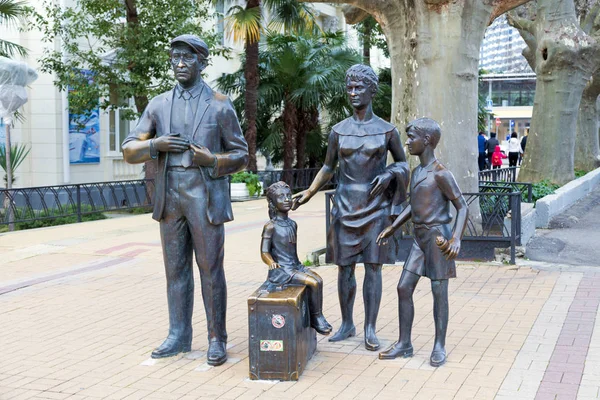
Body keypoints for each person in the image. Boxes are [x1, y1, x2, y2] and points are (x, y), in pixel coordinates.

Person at [121, 34, 249, 365]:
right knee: (175, 270)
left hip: (205, 195)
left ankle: (216, 337)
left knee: (210, 270)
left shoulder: (220, 104)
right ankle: (178, 335)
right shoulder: (159, 104)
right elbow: (128, 149)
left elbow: (241, 155)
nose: (179, 63)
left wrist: (214, 161)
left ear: (202, 62)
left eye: (188, 58)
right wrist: (156, 145)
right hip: (170, 196)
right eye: (175, 57)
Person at [292, 64, 409, 351]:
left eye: (359, 88)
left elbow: (404, 164)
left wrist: (391, 173)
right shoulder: (338, 130)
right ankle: (347, 323)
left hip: (376, 207)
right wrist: (309, 191)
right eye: (350, 88)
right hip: (344, 205)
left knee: (373, 267)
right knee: (344, 268)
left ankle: (370, 327)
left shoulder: (387, 130)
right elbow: (328, 167)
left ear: (372, 91)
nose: (353, 93)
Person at [376, 118, 468, 367]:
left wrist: (456, 238)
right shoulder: (417, 172)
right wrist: (393, 227)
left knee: (439, 293)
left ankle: (439, 345)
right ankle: (405, 343)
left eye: (411, 137)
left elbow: (462, 206)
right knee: (403, 287)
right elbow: (413, 206)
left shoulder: (441, 173)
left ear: (426, 141)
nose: (407, 142)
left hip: (438, 238)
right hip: (419, 239)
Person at [261, 181, 332, 335]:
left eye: (288, 196)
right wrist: (271, 262)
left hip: (295, 266)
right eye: (281, 197)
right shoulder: (270, 226)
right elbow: (264, 252)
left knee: (319, 280)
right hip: (282, 271)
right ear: (272, 202)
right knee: (312, 283)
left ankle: (316, 316)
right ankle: (316, 318)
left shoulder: (293, 224)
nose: (287, 199)